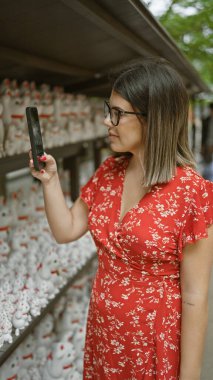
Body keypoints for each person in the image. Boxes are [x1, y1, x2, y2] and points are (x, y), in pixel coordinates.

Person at [29, 57, 213, 380]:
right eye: (107, 109)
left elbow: (195, 297)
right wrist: (50, 181)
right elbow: (66, 229)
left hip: (152, 345)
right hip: (103, 337)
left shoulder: (191, 193)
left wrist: (191, 375)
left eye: (117, 113)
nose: (106, 121)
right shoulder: (108, 173)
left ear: (152, 118)